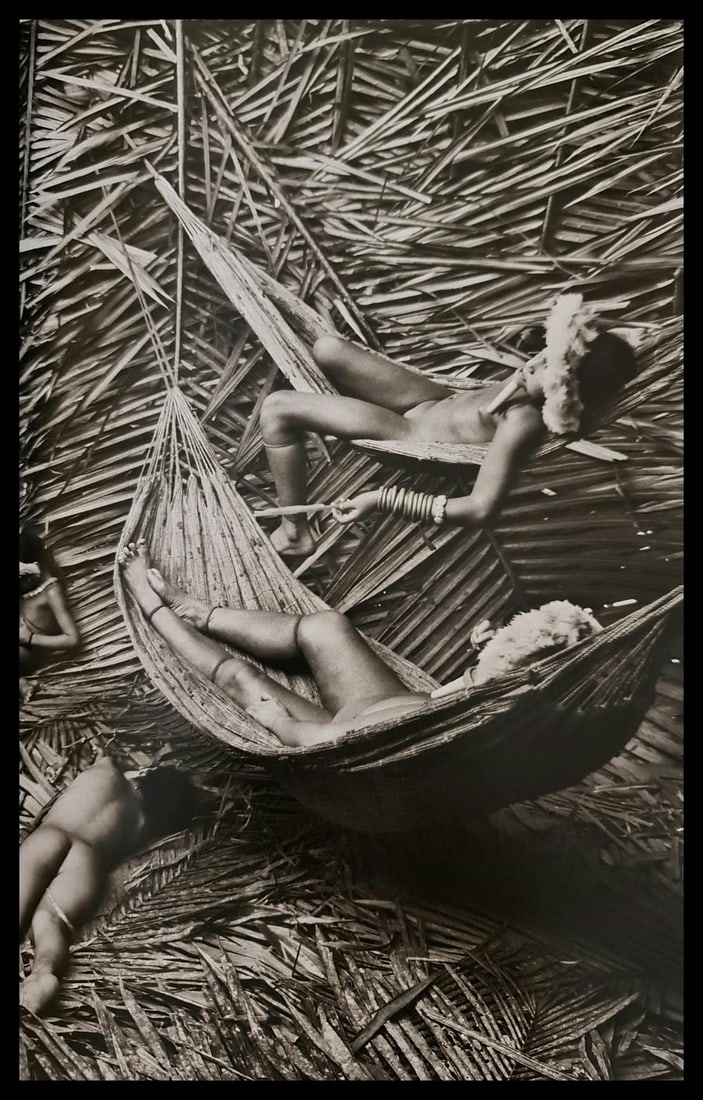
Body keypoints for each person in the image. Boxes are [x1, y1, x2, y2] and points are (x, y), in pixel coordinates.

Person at [118, 538, 602, 749]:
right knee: (326, 627)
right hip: (391, 703)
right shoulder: (504, 694)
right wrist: (477, 658)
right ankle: (200, 611)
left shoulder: (454, 723)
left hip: (354, 734)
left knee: (242, 678)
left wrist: (277, 723)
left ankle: (155, 607)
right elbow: (484, 681)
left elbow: (322, 738)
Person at [258, 294, 637, 556]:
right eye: (544, 352)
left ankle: (295, 533)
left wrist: (382, 499)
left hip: (408, 434)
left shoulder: (522, 420)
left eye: (548, 369)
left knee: (277, 409)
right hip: (431, 399)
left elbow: (480, 508)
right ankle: (333, 406)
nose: (534, 363)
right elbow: (612, 348)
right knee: (328, 349)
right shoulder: (528, 383)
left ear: (561, 393)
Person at [20, 756, 198, 1015]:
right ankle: (41, 976)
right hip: (86, 862)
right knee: (49, 921)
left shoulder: (105, 768)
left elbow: (111, 759)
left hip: (52, 835)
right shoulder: (142, 824)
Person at [20, 530, 80, 702]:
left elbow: (72, 639)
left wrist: (30, 638)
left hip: (27, 652)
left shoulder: (52, 592)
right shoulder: (29, 584)